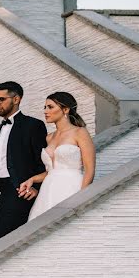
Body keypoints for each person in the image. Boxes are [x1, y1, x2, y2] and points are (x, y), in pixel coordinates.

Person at [0, 81, 48, 241]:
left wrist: (36, 188)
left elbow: (42, 162)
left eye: (1, 99)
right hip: (4, 190)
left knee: (1, 239)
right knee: (4, 240)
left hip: (21, 191)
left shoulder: (33, 125)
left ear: (16, 99)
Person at [21, 92, 96, 220]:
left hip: (71, 187)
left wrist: (81, 198)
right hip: (48, 189)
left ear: (65, 109)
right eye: (44, 107)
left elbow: (90, 170)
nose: (45, 111)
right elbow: (52, 171)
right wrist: (32, 179)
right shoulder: (49, 137)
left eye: (50, 107)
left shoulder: (80, 132)